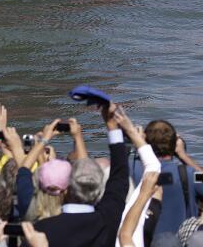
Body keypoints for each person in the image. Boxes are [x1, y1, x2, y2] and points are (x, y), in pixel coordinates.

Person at [33, 104, 132, 247]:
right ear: (99, 190)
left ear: (66, 188)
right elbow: (120, 176)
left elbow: (119, 177)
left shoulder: (42, 229)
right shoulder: (107, 219)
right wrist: (112, 126)